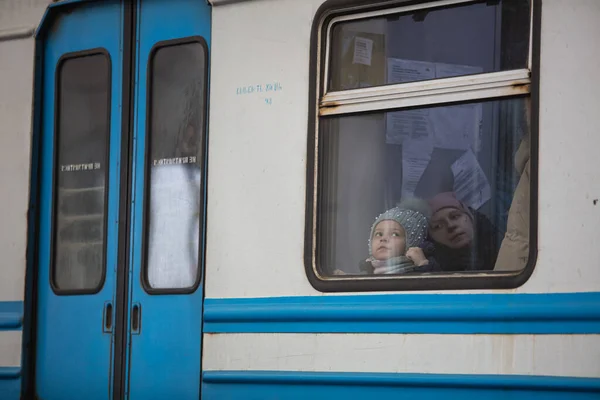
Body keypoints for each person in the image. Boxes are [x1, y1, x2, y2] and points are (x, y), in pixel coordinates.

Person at [359, 199, 438, 275]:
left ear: (411, 242)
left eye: (394, 234)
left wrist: (423, 265)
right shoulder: (363, 274)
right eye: (379, 234)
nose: (383, 239)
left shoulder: (420, 271)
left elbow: (433, 286)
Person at [427, 192, 499, 271]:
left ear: (470, 218)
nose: (450, 226)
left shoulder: (504, 249)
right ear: (431, 237)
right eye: (438, 226)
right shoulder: (432, 269)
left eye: (455, 216)